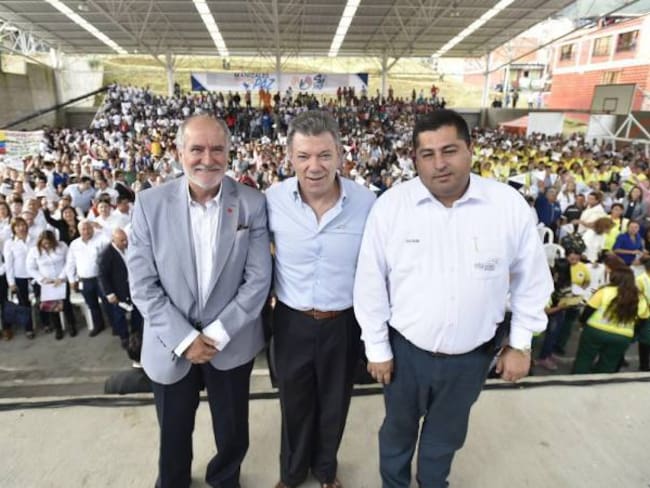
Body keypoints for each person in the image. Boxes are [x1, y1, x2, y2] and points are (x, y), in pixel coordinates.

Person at [353, 110, 553, 488]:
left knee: (445, 438)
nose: (439, 164)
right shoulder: (392, 207)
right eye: (427, 154)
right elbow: (369, 283)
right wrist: (376, 347)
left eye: (449, 150)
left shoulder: (507, 206)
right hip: (406, 353)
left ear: (470, 149)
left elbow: (532, 281)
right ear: (415, 159)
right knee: (397, 432)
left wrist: (521, 344)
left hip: (471, 358)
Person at [128, 114, 272, 488]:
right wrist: (184, 338)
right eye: (197, 149)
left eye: (217, 149)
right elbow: (142, 284)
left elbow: (258, 280)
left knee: (233, 431)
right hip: (169, 344)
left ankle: (224, 480)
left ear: (229, 153)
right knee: (173, 432)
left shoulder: (252, 203)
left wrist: (217, 334)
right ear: (180, 153)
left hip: (231, 341)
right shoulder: (149, 204)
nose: (207, 159)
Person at [266, 110, 376, 488]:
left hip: (343, 322)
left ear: (340, 155)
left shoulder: (367, 203)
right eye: (304, 156)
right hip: (291, 320)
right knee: (293, 403)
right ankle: (292, 474)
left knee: (335, 403)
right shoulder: (272, 200)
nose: (314, 167)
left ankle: (326, 471)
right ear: (289, 158)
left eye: (324, 155)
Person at [573, 266, 649, 373]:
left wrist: (582, 323)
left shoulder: (604, 291)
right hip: (622, 336)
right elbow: (642, 320)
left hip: (595, 331)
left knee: (584, 359)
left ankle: (577, 380)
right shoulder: (640, 297)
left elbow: (588, 311)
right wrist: (632, 334)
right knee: (608, 364)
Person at [98, 228, 142, 348]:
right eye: (122, 241)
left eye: (126, 239)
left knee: (136, 312)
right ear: (114, 240)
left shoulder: (128, 249)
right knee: (119, 316)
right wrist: (109, 293)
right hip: (117, 291)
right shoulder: (106, 254)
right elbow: (102, 275)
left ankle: (136, 335)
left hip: (132, 288)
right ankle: (124, 337)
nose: (125, 242)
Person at [65, 220, 110, 336]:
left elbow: (111, 239)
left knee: (108, 302)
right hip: (84, 280)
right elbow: (70, 263)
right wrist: (71, 280)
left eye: (88, 228)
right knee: (92, 304)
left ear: (92, 229)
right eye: (83, 229)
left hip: (100, 279)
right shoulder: (74, 244)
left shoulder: (101, 238)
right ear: (79, 231)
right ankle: (98, 325)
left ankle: (116, 326)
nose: (86, 231)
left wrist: (101, 228)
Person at [26, 230, 70, 340]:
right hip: (47, 283)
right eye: (44, 244)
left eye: (49, 243)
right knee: (52, 308)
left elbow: (68, 262)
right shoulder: (34, 251)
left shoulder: (62, 246)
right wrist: (42, 279)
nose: (47, 246)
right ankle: (58, 329)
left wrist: (61, 277)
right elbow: (30, 268)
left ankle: (71, 325)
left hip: (62, 280)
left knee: (66, 305)